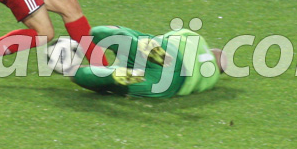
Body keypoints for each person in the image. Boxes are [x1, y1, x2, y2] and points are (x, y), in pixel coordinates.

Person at [70, 25, 227, 98]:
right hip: (169, 84)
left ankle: (141, 47)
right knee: (110, 82)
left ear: (213, 50)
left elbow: (166, 36)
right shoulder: (211, 79)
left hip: (170, 53)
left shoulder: (196, 38)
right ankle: (109, 75)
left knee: (102, 33)